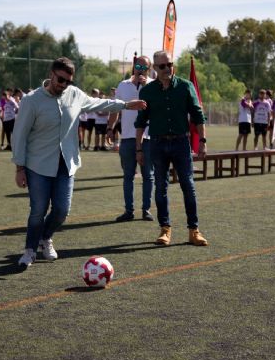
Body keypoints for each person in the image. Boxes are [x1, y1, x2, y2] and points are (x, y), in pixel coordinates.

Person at [12, 57, 147, 268]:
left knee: (62, 210)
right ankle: (29, 250)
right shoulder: (31, 101)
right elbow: (19, 135)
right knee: (38, 210)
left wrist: (127, 105)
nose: (63, 85)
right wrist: (19, 167)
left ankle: (45, 238)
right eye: (60, 79)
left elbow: (101, 103)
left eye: (67, 81)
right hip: (37, 165)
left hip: (66, 164)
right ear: (51, 74)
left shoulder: (75, 95)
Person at [135, 50, 208, 247]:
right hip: (157, 144)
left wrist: (202, 141)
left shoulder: (185, 86)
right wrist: (139, 149)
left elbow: (198, 115)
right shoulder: (147, 91)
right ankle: (165, 229)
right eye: (162, 66)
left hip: (181, 143)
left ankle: (194, 230)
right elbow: (140, 122)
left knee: (188, 186)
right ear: (154, 69)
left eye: (170, 64)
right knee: (161, 188)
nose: (167, 69)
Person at [108, 55, 155, 222]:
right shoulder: (123, 85)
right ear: (134, 66)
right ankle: (129, 210)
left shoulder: (153, 85)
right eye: (139, 66)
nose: (141, 69)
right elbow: (115, 108)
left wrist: (145, 86)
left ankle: (146, 209)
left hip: (148, 138)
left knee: (148, 175)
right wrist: (110, 127)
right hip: (127, 137)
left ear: (149, 69)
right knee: (128, 175)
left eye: (145, 67)